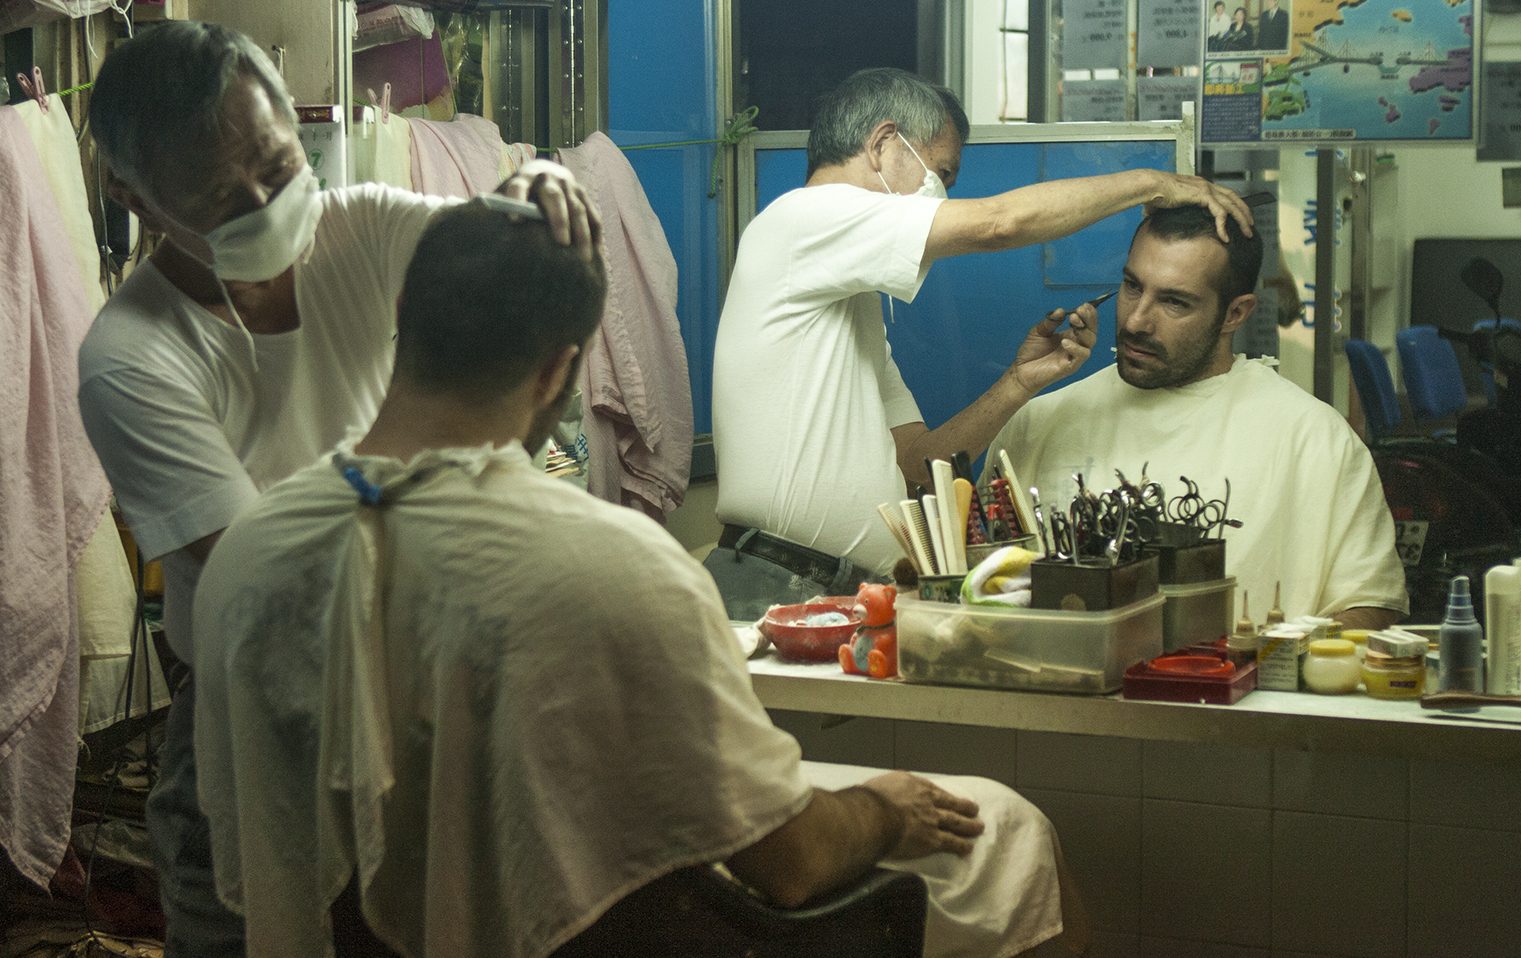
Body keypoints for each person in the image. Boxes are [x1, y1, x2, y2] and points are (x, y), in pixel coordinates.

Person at [191, 202, 1082, 958]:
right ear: (556, 370)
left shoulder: (252, 554)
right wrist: (883, 810)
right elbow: (794, 861)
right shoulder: (615, 564)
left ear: (402, 329)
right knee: (1002, 829)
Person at [77, 22, 596, 955]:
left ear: (292, 123)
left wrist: (537, 203)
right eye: (218, 198)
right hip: (252, 721)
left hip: (418, 682)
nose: (266, 206)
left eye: (277, 169)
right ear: (133, 196)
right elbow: (273, 575)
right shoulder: (131, 356)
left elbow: (514, 277)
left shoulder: (358, 226)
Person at [709, 68, 1252, 619]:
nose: (943, 194)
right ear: (882, 144)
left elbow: (920, 467)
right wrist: (1152, 183)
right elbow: (1000, 223)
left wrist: (1019, 383)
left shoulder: (849, 306)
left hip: (845, 596)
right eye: (941, 173)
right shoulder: (803, 219)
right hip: (775, 581)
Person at [990, 205, 1408, 630]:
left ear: (1236, 313)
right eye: (1133, 287)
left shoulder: (1315, 439)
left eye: (1174, 301)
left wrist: (1260, 670)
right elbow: (977, 589)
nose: (1136, 321)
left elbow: (1369, 606)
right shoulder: (1040, 423)